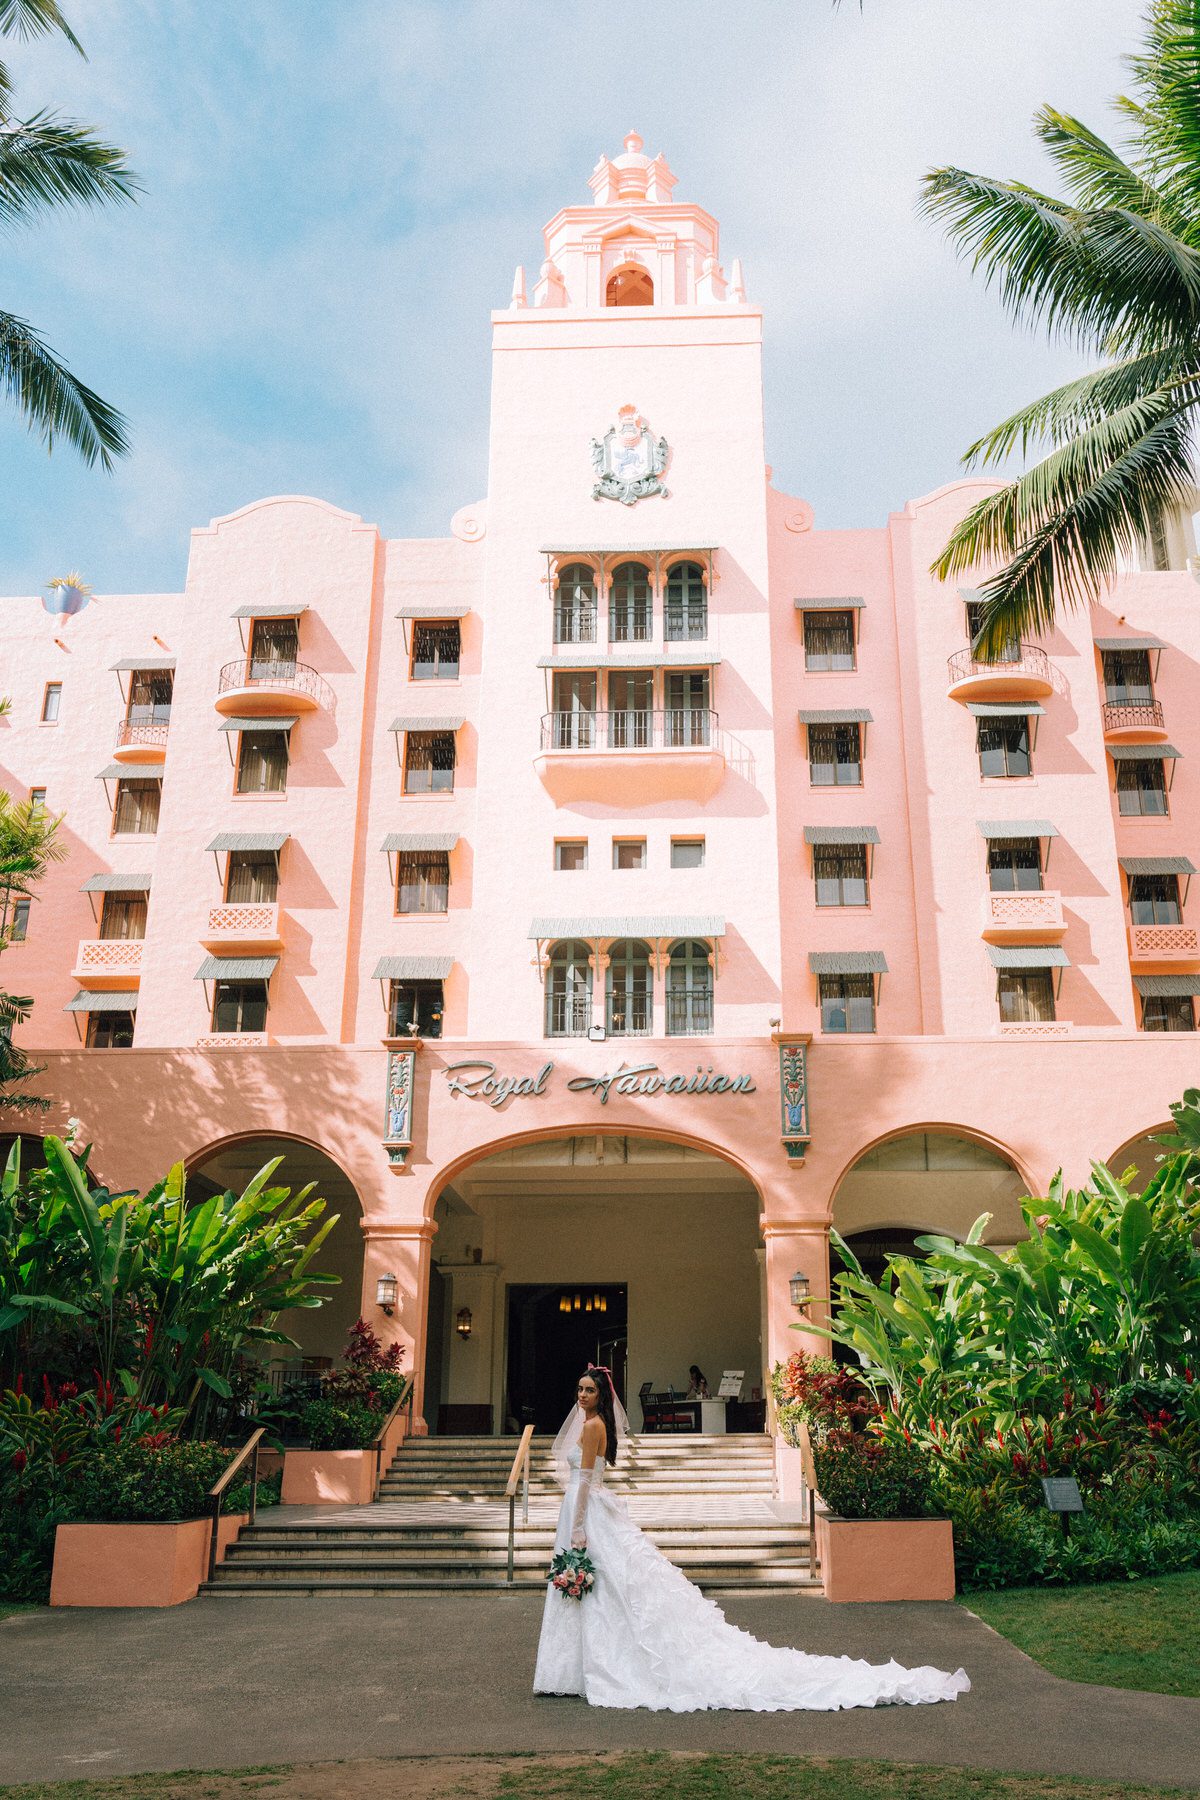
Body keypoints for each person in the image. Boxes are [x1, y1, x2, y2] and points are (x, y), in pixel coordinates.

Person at [533, 1365, 970, 1712]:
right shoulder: (590, 1423)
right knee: (601, 1587)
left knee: (601, 1583)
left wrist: (577, 1525)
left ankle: (590, 1668)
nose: (582, 1396)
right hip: (583, 1504)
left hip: (585, 1506)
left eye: (589, 1390)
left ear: (601, 1397)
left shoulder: (592, 1428)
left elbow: (587, 1477)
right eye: (579, 1389)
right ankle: (576, 1669)